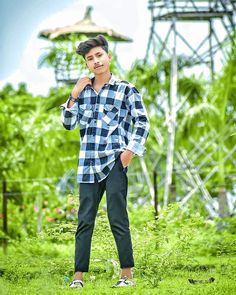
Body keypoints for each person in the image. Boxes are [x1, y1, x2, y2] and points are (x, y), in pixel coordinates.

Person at [60, 35, 150, 288]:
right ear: (87, 64)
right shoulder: (83, 92)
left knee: (117, 217)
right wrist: (74, 94)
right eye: (90, 58)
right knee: (84, 219)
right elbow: (68, 124)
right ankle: (78, 279)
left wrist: (129, 152)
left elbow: (142, 121)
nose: (96, 61)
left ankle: (127, 276)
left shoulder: (126, 89)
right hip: (87, 163)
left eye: (99, 55)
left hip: (114, 162)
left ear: (108, 57)